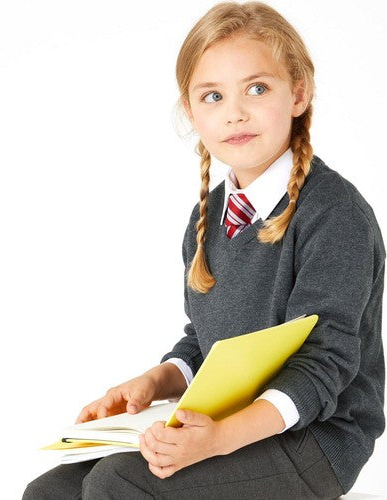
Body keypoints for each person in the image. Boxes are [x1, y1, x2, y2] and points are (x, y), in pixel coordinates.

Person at [23, 1, 385, 498]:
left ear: (298, 93)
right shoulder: (207, 218)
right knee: (51, 490)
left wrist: (218, 439)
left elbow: (324, 364)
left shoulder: (333, 214)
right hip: (227, 422)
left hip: (315, 441)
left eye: (257, 89)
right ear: (192, 112)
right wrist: (156, 382)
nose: (234, 112)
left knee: (119, 483)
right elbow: (209, 343)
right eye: (213, 96)